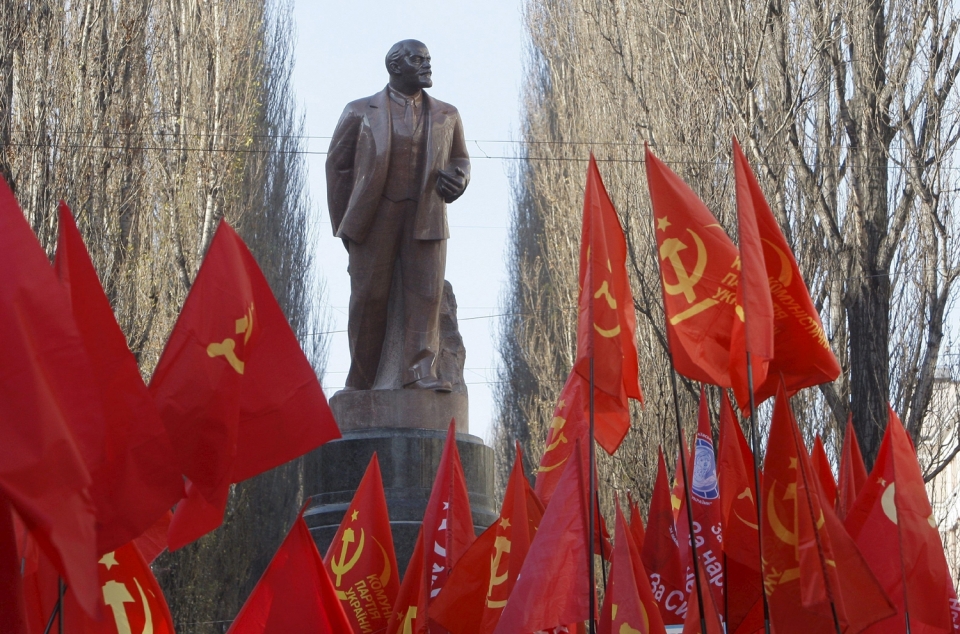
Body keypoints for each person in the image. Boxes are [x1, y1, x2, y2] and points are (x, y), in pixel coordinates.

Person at [326, 40, 470, 392]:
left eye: (428, 60)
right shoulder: (359, 111)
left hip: (427, 215)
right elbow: (337, 167)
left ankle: (420, 372)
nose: (427, 66)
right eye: (418, 60)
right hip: (375, 217)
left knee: (426, 295)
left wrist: (459, 178)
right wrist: (346, 225)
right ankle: (360, 378)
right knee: (367, 298)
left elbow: (461, 159)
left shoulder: (447, 114)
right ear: (395, 66)